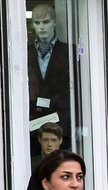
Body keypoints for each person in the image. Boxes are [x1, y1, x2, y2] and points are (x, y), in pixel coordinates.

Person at [28, 4, 76, 154]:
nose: (41, 27)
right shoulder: (24, 52)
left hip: (62, 121)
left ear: (54, 22)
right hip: (33, 123)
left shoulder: (69, 51)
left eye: (46, 22)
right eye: (37, 23)